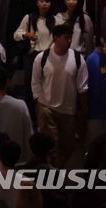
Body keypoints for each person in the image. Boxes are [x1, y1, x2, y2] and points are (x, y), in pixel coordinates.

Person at [30, 23, 89, 165]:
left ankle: (59, 170)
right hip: (47, 107)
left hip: (68, 110)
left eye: (70, 38)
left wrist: (83, 110)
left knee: (67, 146)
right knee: (51, 145)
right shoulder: (42, 58)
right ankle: (52, 173)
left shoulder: (77, 58)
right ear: (56, 38)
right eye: (66, 38)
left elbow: (82, 87)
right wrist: (39, 101)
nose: (69, 41)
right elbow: (36, 82)